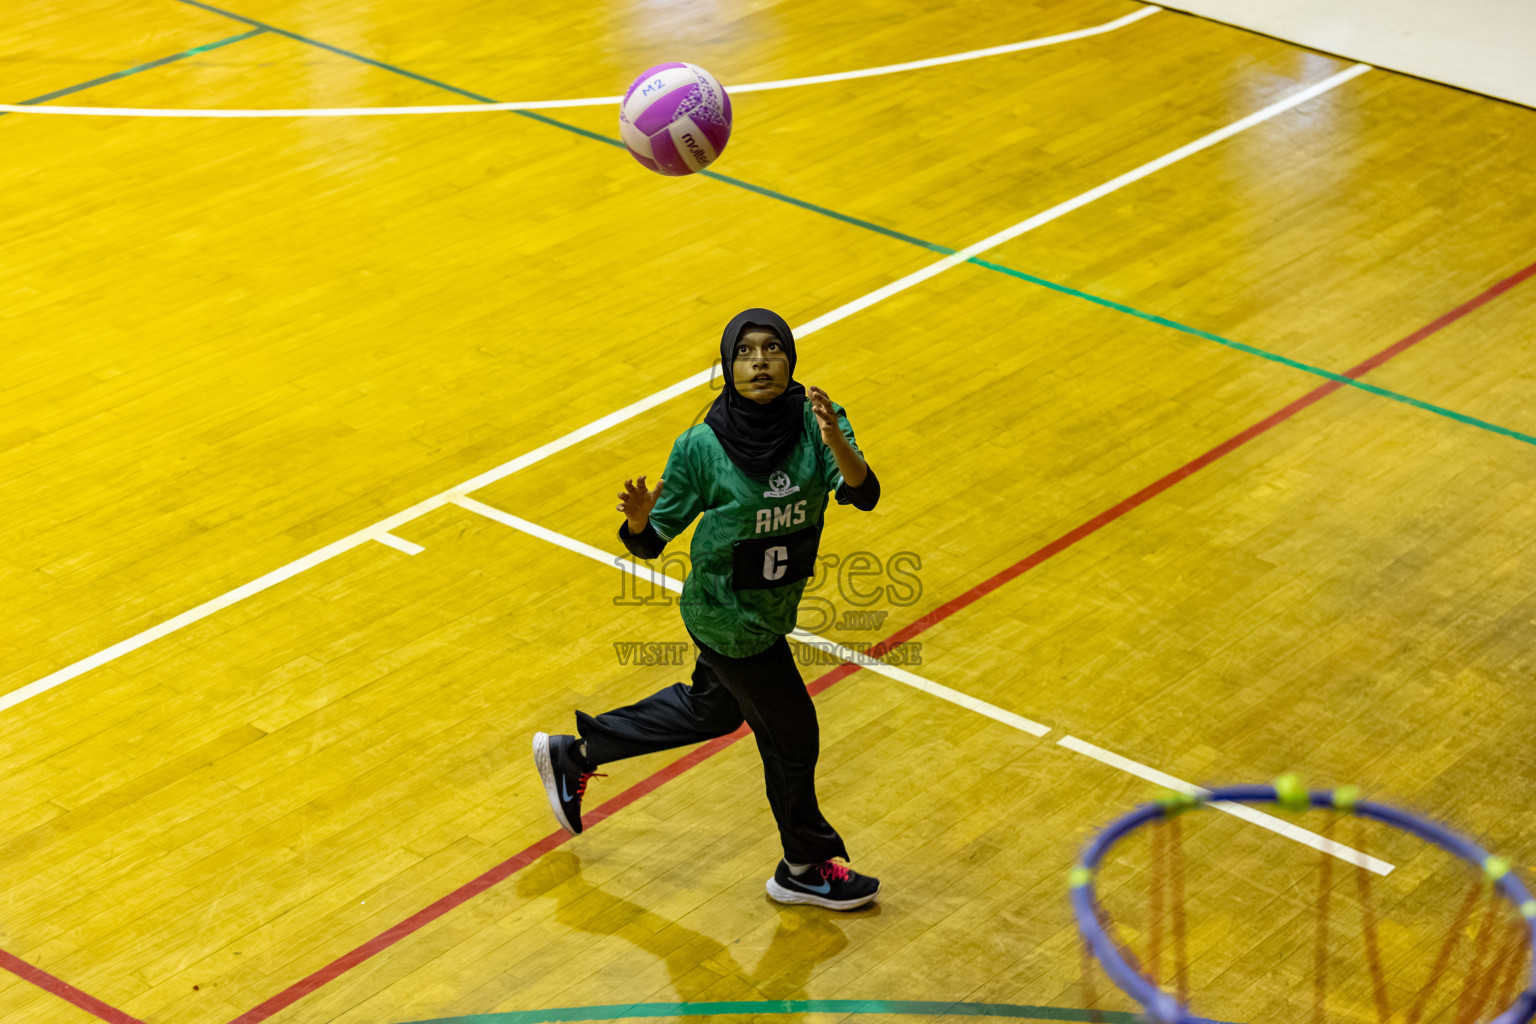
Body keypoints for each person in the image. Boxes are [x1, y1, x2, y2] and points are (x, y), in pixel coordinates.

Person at [533, 308, 882, 910]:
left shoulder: (815, 420)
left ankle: (577, 753)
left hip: (772, 608)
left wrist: (833, 439)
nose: (760, 361)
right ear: (727, 367)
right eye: (745, 352)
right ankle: (803, 865)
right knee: (793, 736)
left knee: (712, 712)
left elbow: (864, 492)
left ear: (790, 360)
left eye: (772, 348)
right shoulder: (702, 445)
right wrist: (640, 521)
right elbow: (650, 541)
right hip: (725, 615)